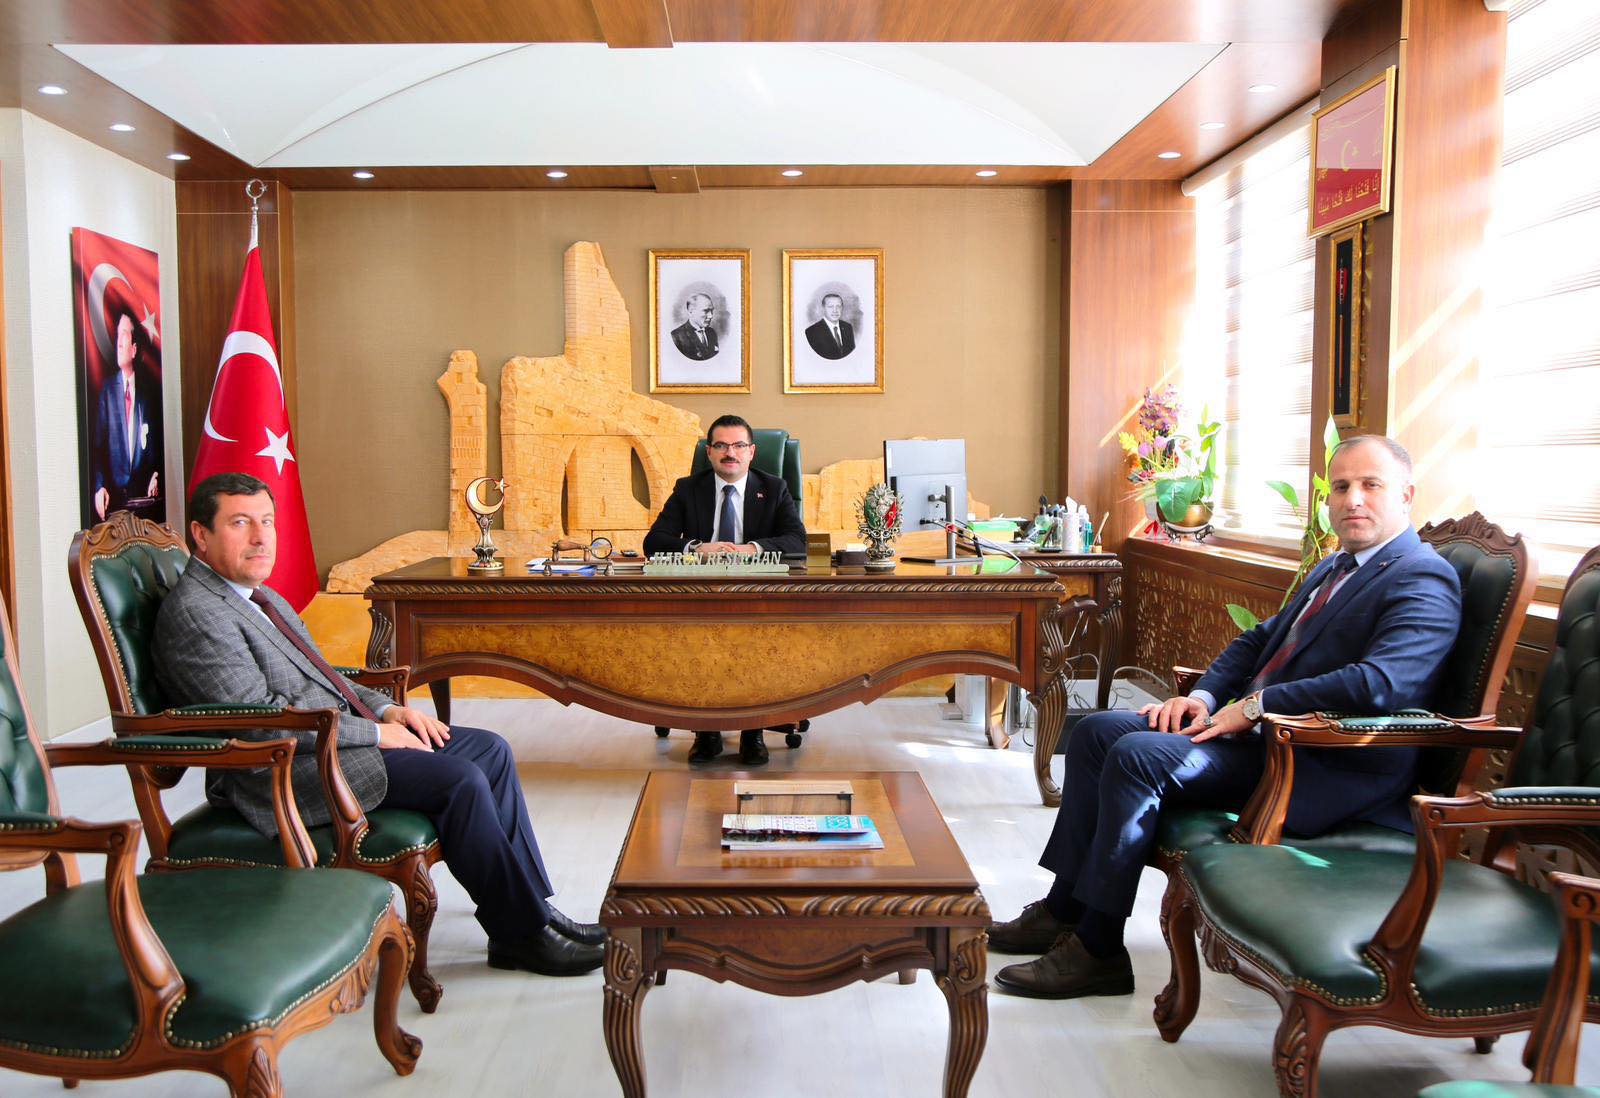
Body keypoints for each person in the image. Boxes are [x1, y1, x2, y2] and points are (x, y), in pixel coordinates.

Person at [987, 436, 1462, 999]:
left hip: (1321, 761)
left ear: (1405, 495)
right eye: (1340, 487)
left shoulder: (1422, 576)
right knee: (1094, 732)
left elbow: (1381, 684)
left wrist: (1255, 707)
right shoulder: (1338, 567)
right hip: (1258, 737)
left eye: (1370, 485)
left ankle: (1098, 948)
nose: (1352, 499)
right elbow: (1258, 640)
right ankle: (1064, 908)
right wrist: (1207, 698)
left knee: (1138, 756)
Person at [153, 472, 605, 977]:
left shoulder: (259, 597)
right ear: (201, 534)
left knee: (490, 751)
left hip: (328, 743)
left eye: (267, 521)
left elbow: (325, 678)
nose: (261, 538)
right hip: (282, 773)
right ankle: (523, 935)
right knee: (459, 780)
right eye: (241, 523)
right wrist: (374, 734)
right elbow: (257, 723)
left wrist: (391, 711)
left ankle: (532, 913)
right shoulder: (198, 612)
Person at [643, 414, 807, 764]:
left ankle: (753, 732)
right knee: (701, 640)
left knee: (755, 640)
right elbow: (654, 542)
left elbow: (797, 541)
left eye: (738, 446)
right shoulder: (688, 488)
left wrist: (753, 548)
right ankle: (707, 732)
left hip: (758, 595)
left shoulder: (774, 487)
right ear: (709, 452)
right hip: (702, 595)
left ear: (752, 452)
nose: (729, 453)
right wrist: (696, 547)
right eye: (721, 445)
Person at [92, 310, 162, 520]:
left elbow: (156, 446)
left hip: (144, 503)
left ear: (134, 349)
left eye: (124, 335)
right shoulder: (107, 391)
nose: (119, 343)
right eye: (118, 335)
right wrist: (99, 487)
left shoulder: (148, 392)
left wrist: (156, 475)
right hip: (114, 503)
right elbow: (97, 449)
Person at [804, 293, 855, 359]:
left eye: (838, 306)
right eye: (830, 306)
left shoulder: (848, 327)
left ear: (842, 308)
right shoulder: (811, 332)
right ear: (823, 308)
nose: (835, 310)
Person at [671, 293, 720, 360]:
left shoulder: (711, 332)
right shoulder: (676, 336)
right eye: (706, 311)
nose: (711, 316)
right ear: (691, 312)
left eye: (711, 311)